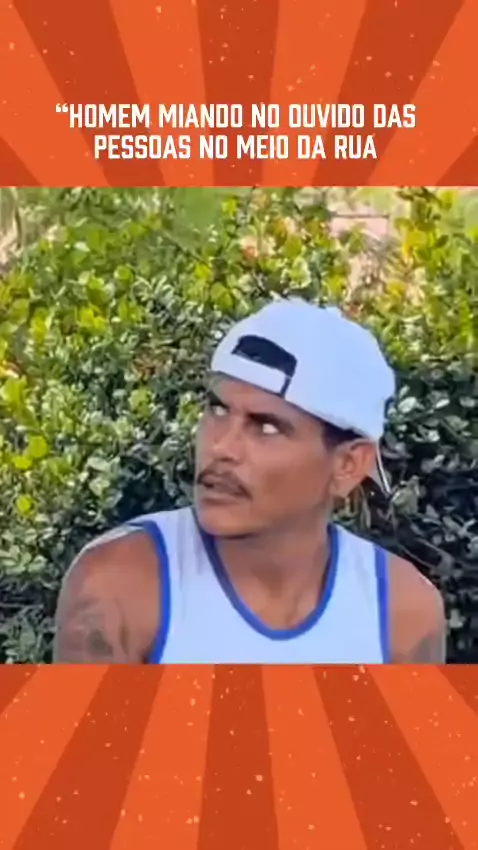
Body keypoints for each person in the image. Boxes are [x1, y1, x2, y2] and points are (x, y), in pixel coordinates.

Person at [53, 298, 446, 664]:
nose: (221, 447)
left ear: (347, 465)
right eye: (217, 410)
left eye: (266, 427)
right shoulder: (120, 585)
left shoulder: (402, 613)